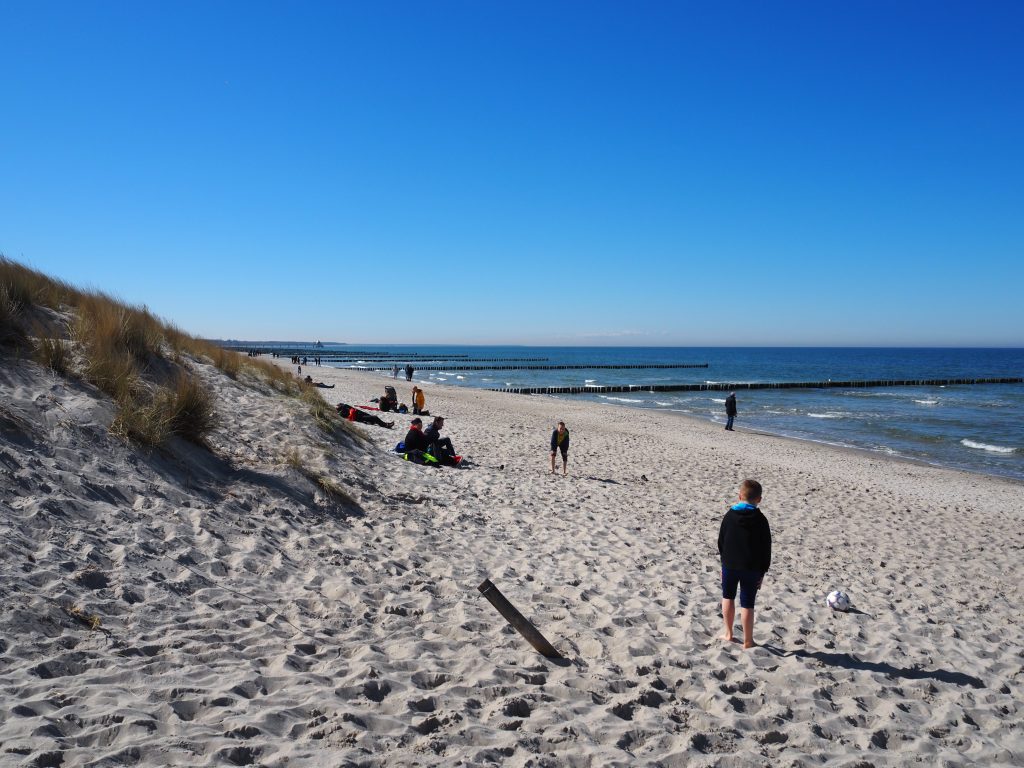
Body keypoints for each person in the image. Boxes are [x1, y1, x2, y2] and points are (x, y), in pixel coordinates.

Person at [717, 479, 771, 649]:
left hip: (730, 565)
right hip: (751, 568)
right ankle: (748, 641)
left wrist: (724, 562)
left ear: (740, 496)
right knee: (748, 604)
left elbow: (721, 541)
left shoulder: (729, 516)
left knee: (728, 597)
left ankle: (729, 634)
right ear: (759, 499)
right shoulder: (761, 520)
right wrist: (762, 572)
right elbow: (766, 548)